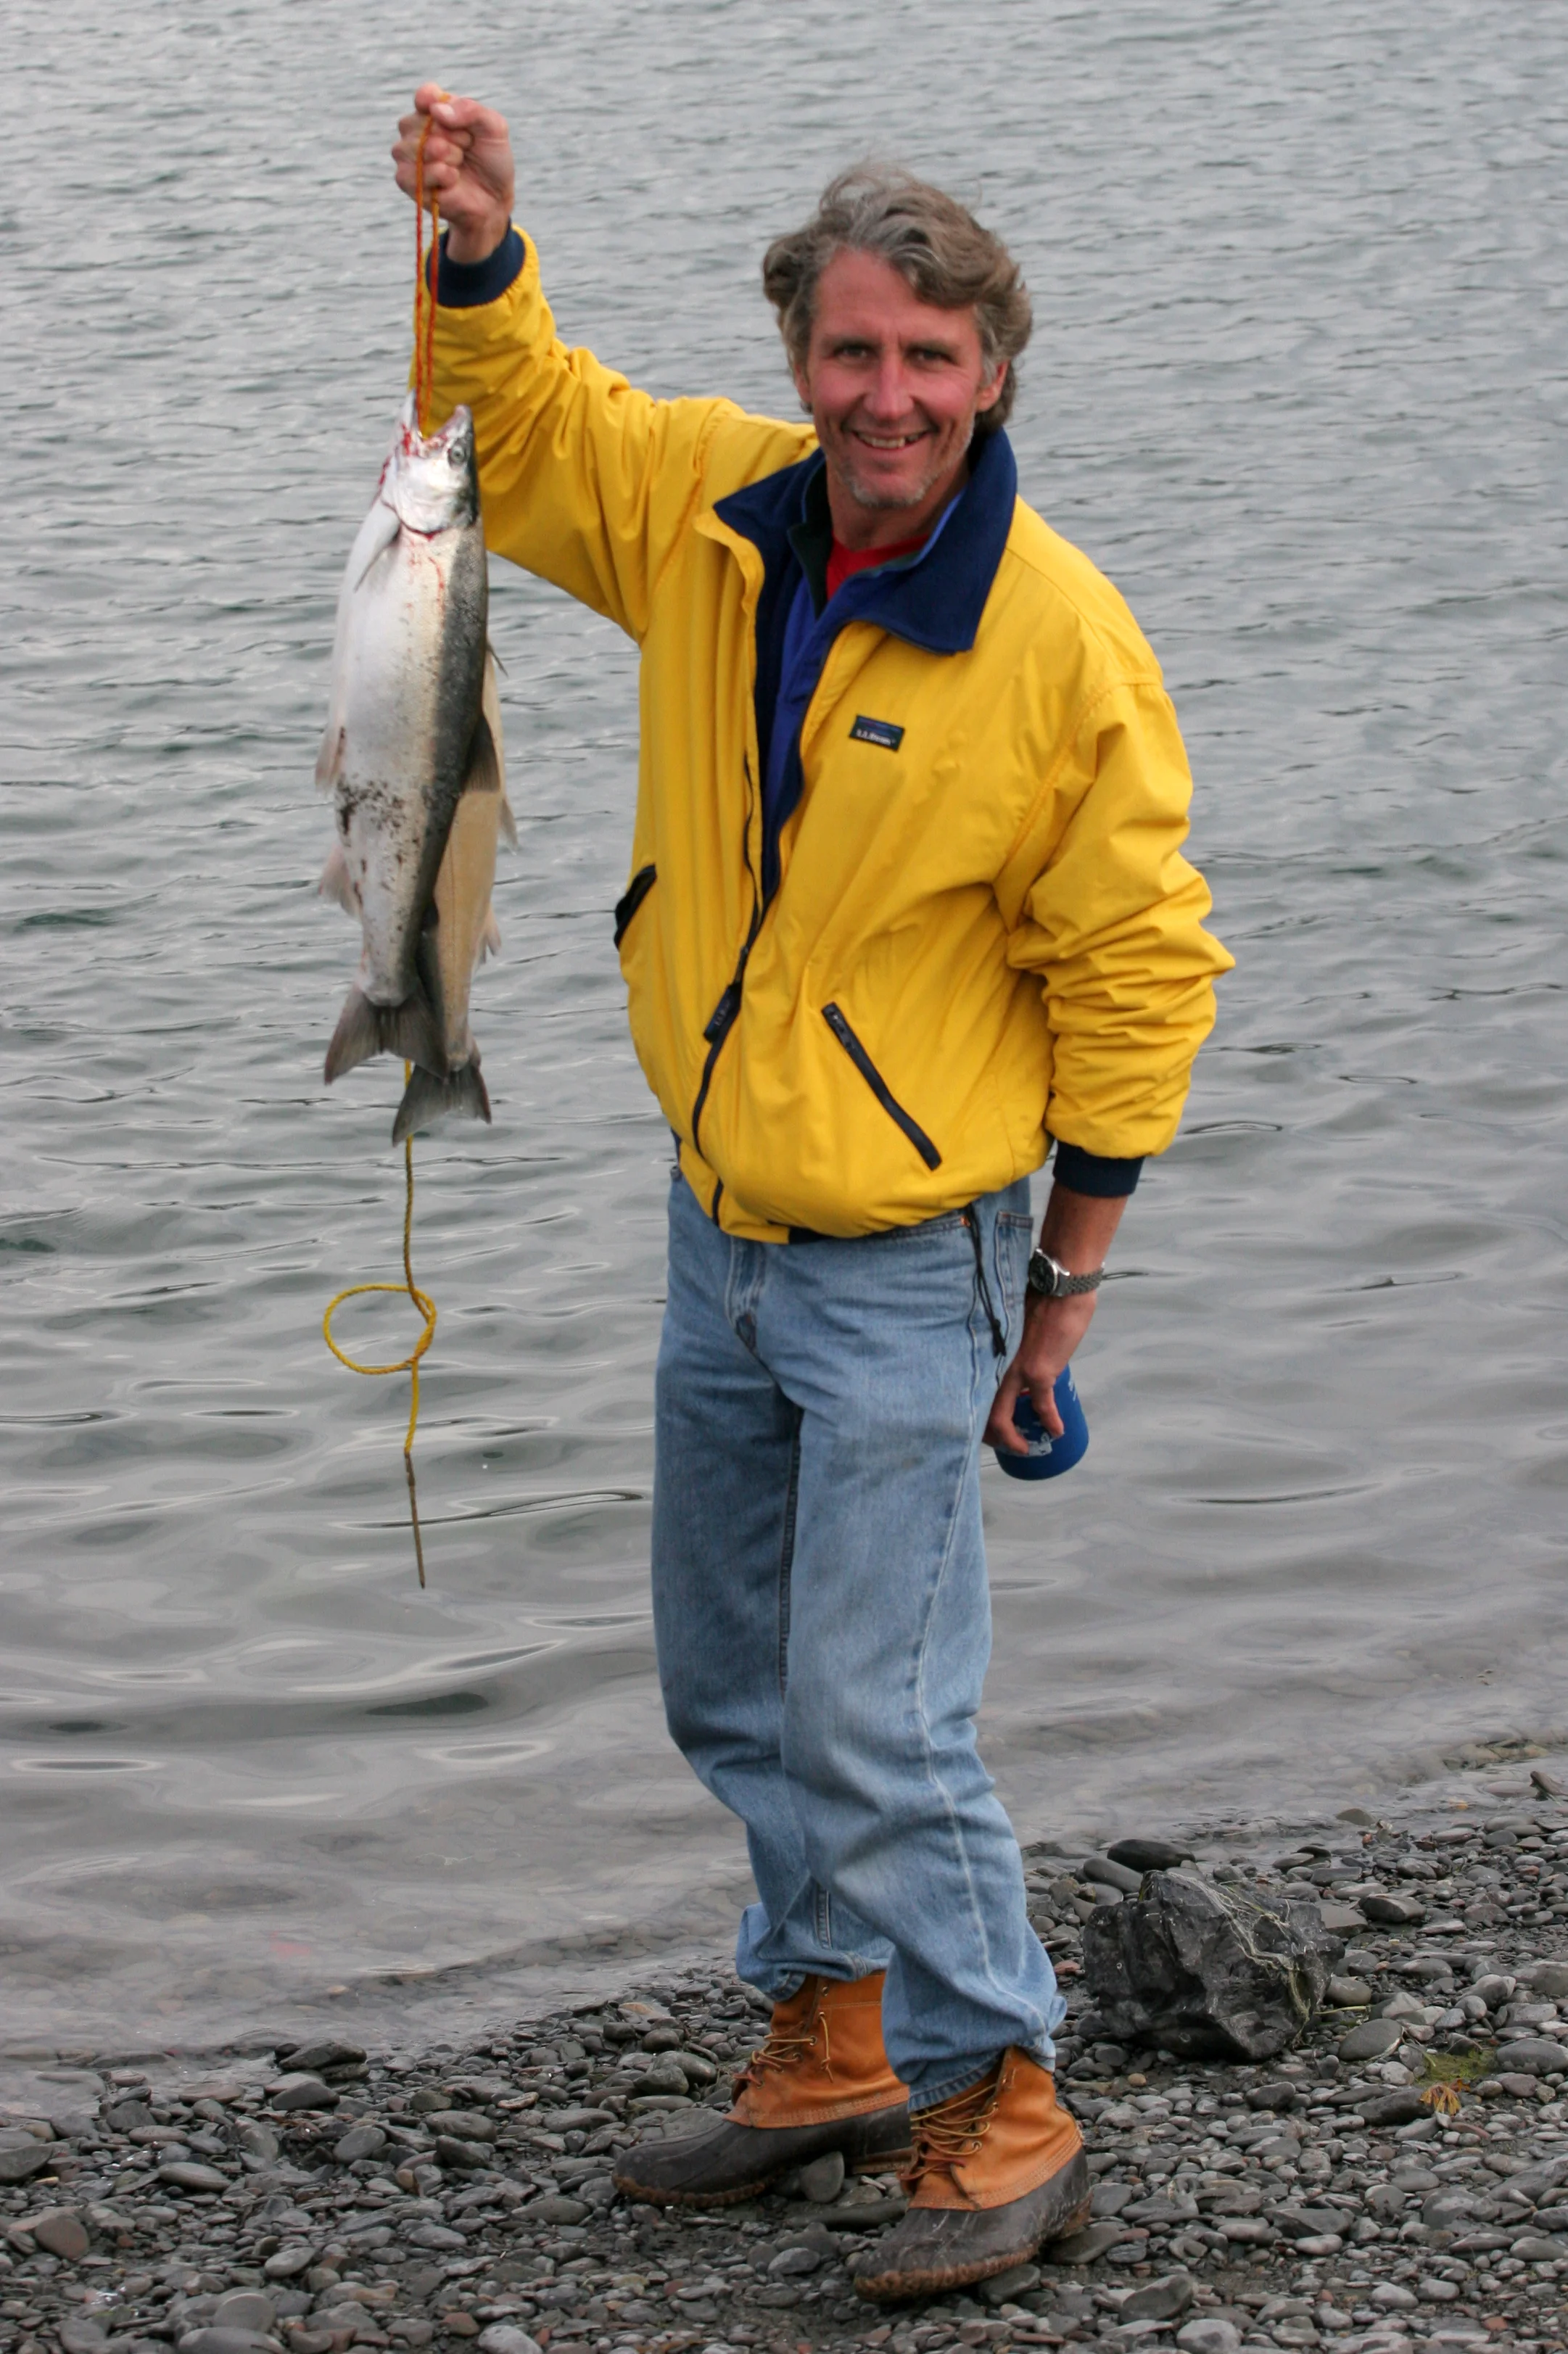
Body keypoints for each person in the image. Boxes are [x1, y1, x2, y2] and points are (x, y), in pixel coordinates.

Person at [392, 88, 1231, 2303]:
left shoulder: (1055, 638)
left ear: (993, 375)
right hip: (719, 1227)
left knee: (878, 1711)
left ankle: (1004, 2091)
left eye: (931, 363)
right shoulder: (711, 519)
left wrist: (1059, 1300)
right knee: (731, 1684)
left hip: (914, 1258)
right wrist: (481, 248)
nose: (888, 398)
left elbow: (1145, 971)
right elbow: (530, 430)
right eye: (854, 353)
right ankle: (834, 2024)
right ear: (801, 353)